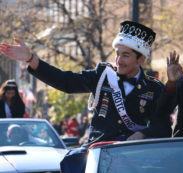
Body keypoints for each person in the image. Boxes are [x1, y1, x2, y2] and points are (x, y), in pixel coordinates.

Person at [0, 20, 163, 172]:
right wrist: (31, 59)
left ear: (141, 59)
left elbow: (163, 126)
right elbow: (66, 81)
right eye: (117, 53)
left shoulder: (154, 88)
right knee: (71, 161)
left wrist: (143, 133)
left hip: (134, 157)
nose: (118, 60)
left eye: (125, 55)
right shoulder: (102, 75)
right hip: (99, 155)